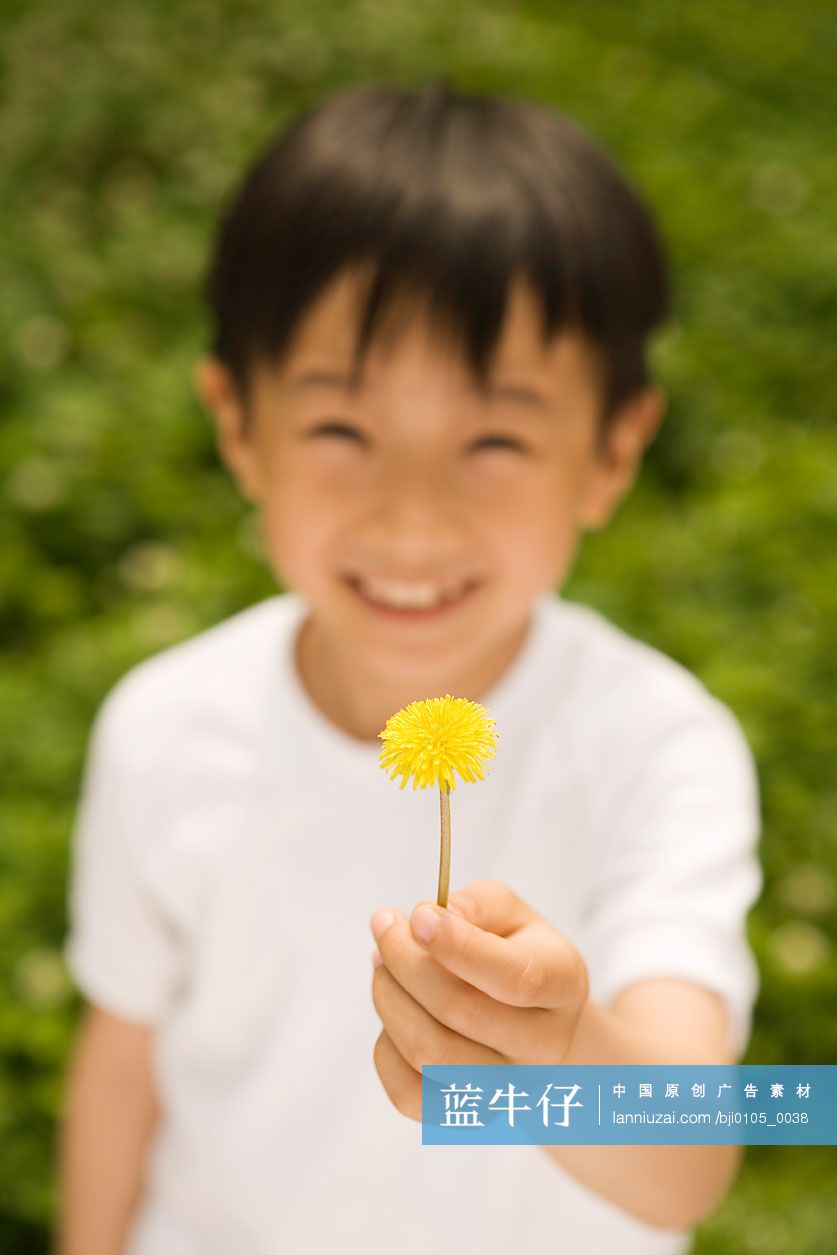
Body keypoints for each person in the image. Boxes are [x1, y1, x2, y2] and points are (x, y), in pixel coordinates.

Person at [57, 77, 763, 1255]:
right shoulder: (165, 728)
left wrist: (561, 1047)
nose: (413, 518)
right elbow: (124, 1049)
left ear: (612, 449)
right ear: (238, 424)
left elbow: (686, 1165)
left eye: (495, 438)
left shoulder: (659, 749)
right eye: (343, 428)